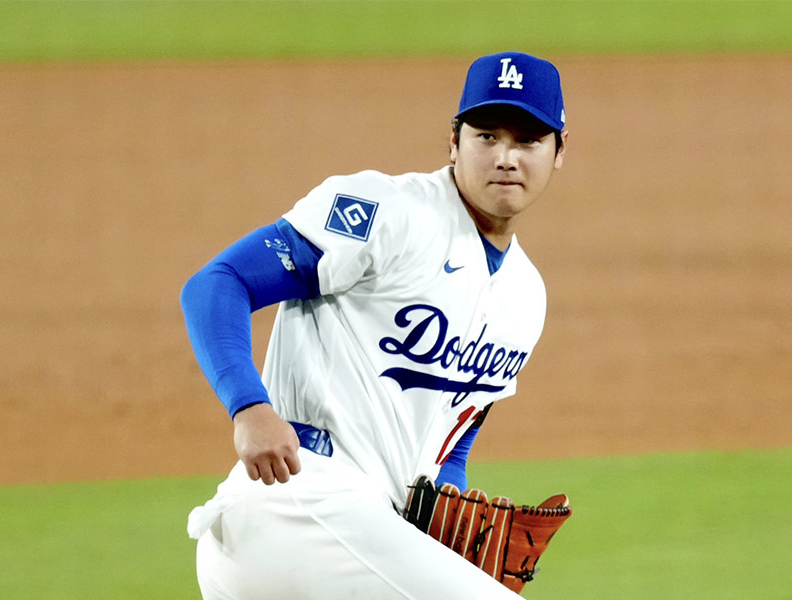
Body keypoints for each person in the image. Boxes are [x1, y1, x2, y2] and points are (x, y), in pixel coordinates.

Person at [181, 51, 568, 599]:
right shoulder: (389, 211)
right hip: (293, 504)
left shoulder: (527, 298)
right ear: (454, 142)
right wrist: (249, 406)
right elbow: (218, 283)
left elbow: (450, 445)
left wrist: (442, 538)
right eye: (486, 136)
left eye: (527, 139)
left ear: (558, 151)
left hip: (355, 541)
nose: (505, 157)